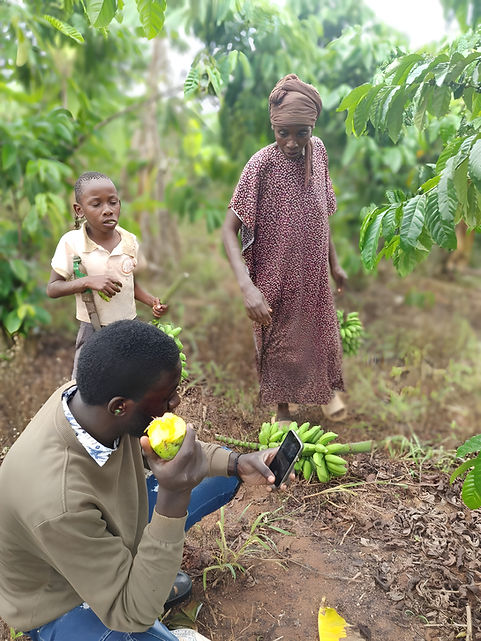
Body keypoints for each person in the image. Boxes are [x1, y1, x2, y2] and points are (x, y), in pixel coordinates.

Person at [0, 319, 287, 641]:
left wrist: (236, 462)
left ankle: (145, 574)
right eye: (166, 397)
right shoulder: (57, 501)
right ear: (120, 407)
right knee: (137, 615)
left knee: (220, 475)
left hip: (101, 526)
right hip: (60, 595)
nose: (175, 404)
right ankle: (132, 589)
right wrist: (173, 496)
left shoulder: (86, 402)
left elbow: (172, 449)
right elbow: (131, 614)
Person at [222, 73, 347, 425]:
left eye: (301, 133)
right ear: (273, 127)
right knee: (279, 341)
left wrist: (334, 264)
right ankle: (283, 409)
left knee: (319, 331)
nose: (292, 142)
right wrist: (247, 286)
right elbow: (228, 230)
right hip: (275, 273)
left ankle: (324, 392)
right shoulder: (261, 164)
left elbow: (323, 212)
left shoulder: (318, 152)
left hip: (313, 271)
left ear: (312, 127)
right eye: (283, 133)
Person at [46, 171, 168, 376]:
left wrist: (151, 301)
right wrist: (88, 281)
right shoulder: (72, 243)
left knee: (128, 378)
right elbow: (53, 288)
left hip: (128, 325)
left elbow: (130, 282)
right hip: (93, 327)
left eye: (113, 202)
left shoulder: (130, 241)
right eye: (96, 204)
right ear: (79, 210)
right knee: (86, 381)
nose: (108, 210)